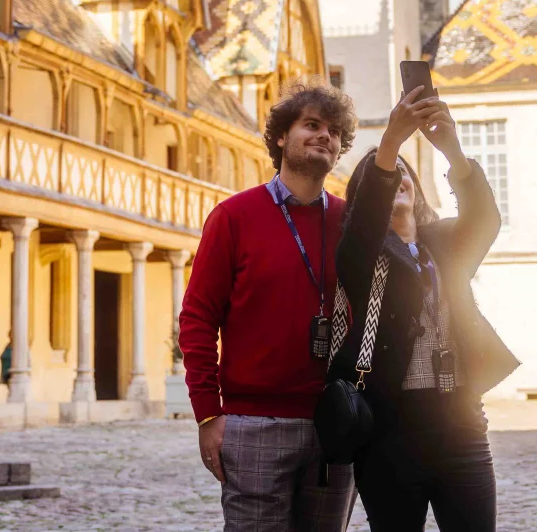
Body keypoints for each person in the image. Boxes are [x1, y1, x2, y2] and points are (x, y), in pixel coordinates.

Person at [331, 87, 518, 532]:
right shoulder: (359, 253)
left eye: (405, 173)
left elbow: (485, 220)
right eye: (385, 175)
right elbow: (360, 234)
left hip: (462, 429)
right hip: (388, 437)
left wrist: (451, 148)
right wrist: (391, 143)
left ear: (416, 190)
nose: (397, 177)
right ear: (366, 199)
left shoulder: (446, 245)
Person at [178, 81, 359, 531]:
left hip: (334, 423)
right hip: (254, 424)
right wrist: (208, 413)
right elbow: (198, 320)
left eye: (334, 131)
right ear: (281, 136)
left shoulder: (350, 222)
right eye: (311, 125)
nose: (325, 136)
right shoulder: (233, 217)